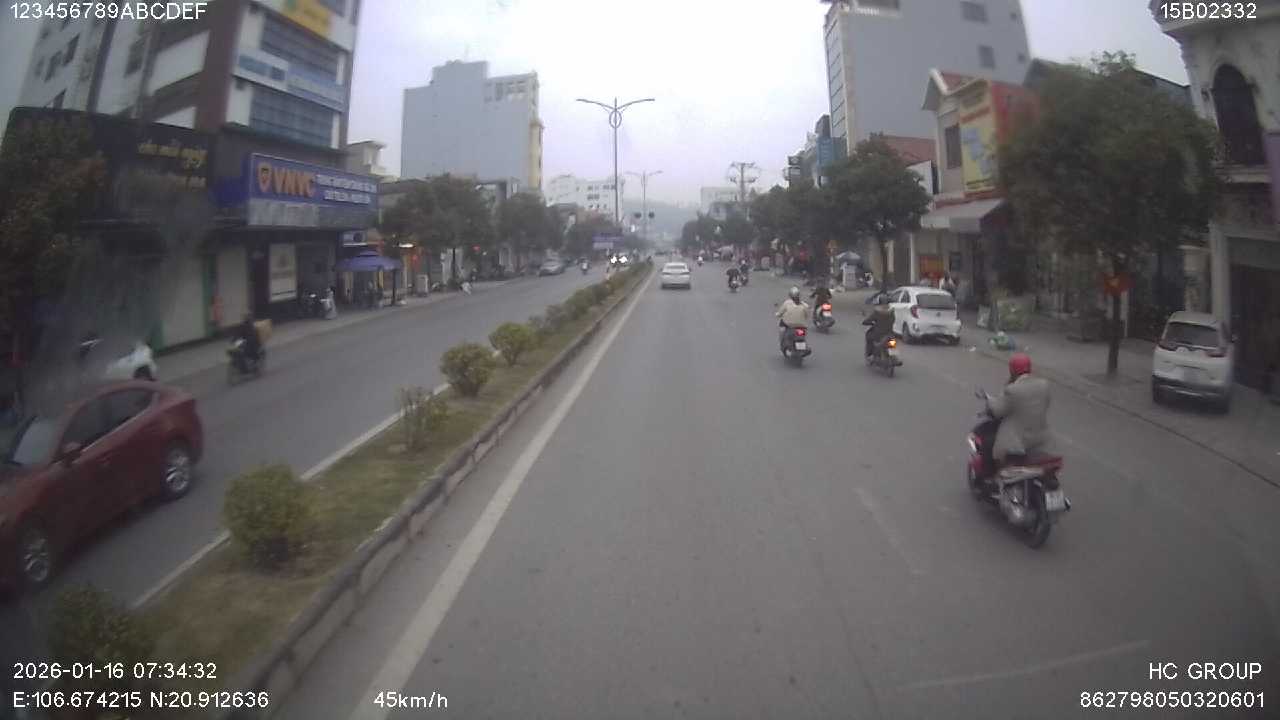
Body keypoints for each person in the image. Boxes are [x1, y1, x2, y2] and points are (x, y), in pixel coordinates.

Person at [987, 353, 1052, 468]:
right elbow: (1045, 404)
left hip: (1019, 441)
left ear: (1012, 370)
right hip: (1040, 437)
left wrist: (990, 402)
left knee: (995, 448)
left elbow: (997, 411)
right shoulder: (1044, 385)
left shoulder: (1012, 390)